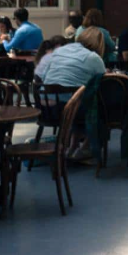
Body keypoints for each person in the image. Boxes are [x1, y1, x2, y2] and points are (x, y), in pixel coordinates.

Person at [35, 28, 107, 161]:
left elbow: (44, 77)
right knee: (100, 107)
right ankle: (85, 147)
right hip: (68, 109)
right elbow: (102, 84)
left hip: (45, 107)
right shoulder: (93, 58)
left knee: (77, 100)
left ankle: (73, 146)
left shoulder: (59, 51)